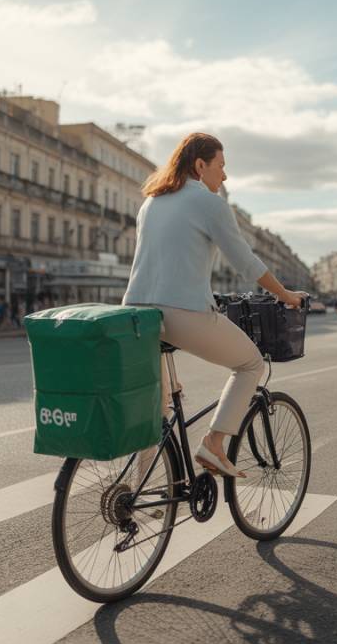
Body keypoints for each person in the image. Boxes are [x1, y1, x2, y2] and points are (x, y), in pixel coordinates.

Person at [123, 132, 308, 478]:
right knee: (250, 363)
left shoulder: (151, 202)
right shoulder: (209, 203)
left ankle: (139, 492)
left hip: (136, 315)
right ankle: (214, 444)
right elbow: (246, 263)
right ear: (200, 165)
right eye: (221, 166)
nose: (224, 176)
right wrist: (286, 295)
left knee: (157, 408)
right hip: (182, 312)